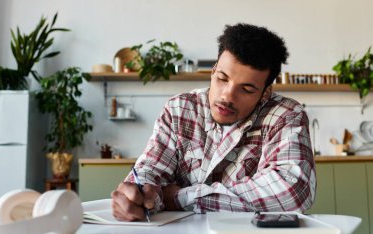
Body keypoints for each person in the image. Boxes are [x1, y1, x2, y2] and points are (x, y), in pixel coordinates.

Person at [111, 23, 316, 221]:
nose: (228, 96)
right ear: (213, 70)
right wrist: (137, 195)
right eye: (222, 78)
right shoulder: (179, 109)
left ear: (265, 94)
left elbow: (291, 193)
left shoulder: (286, 114)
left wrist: (179, 198)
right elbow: (150, 172)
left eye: (247, 89)